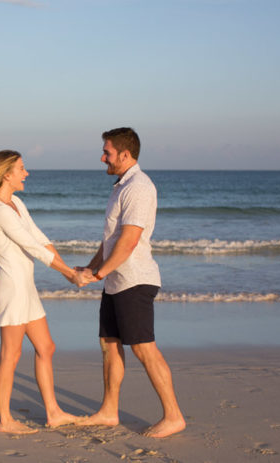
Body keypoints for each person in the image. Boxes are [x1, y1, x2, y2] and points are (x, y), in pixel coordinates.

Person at [77, 128, 186, 438]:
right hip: (115, 281)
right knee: (109, 344)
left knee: (143, 349)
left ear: (125, 154)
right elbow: (110, 240)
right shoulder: (120, 186)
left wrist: (97, 274)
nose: (102, 157)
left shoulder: (139, 187)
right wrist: (92, 267)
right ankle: (109, 412)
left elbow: (128, 241)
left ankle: (174, 415)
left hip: (135, 280)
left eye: (107, 152)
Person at [0, 150, 93, 434]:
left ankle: (53, 412)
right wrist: (69, 273)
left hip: (27, 288)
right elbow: (31, 247)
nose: (26, 173)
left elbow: (40, 238)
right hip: (13, 290)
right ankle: (4, 420)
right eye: (21, 168)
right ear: (7, 174)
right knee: (11, 355)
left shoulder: (15, 202)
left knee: (46, 347)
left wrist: (69, 271)